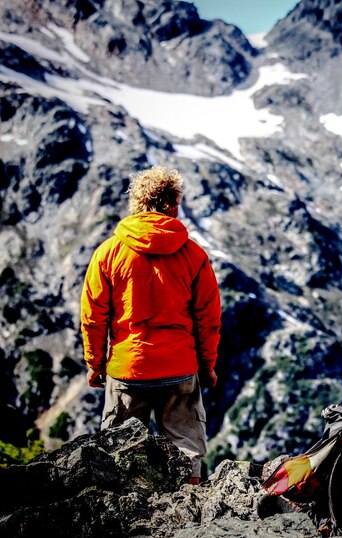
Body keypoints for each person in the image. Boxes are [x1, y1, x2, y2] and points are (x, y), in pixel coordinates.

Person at [80, 164, 221, 484]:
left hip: (128, 370)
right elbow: (209, 319)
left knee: (119, 454)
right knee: (187, 453)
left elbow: (93, 316)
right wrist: (207, 365)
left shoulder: (108, 253)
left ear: (137, 204)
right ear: (173, 205)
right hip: (180, 369)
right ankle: (191, 514)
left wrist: (95, 363)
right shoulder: (194, 254)